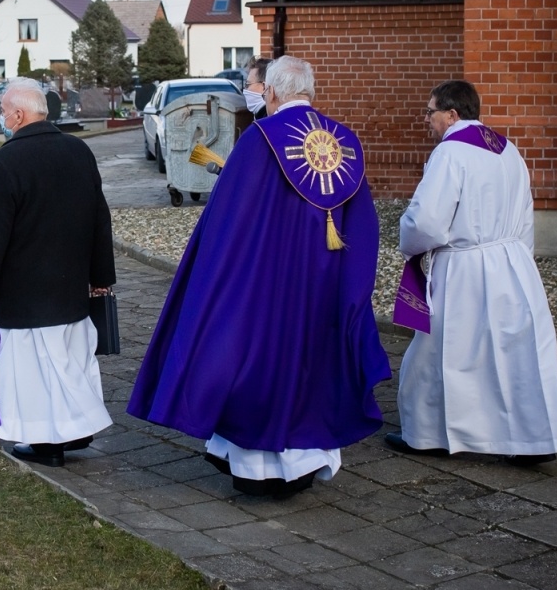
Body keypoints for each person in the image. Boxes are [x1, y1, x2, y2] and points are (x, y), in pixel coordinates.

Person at [129, 56, 390, 495]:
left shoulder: (262, 138)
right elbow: (363, 227)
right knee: (312, 365)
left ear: (271, 92)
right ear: (310, 92)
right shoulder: (343, 141)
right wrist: (351, 290)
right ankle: (307, 462)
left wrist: (213, 275)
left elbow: (228, 221)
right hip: (322, 283)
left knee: (256, 362)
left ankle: (258, 469)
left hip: (266, 283)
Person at [391, 79, 557, 465]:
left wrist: (408, 240)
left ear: (452, 115)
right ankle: (531, 438)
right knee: (515, 355)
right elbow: (526, 213)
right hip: (512, 263)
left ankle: (427, 434)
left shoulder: (450, 152)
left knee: (440, 352)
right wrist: (518, 259)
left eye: (430, 112)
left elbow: (427, 221)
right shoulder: (507, 149)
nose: (426, 120)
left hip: (466, 268)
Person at [0, 77, 115, 468]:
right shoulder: (78, 150)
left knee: (34, 374)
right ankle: (74, 429)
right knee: (68, 364)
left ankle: (46, 442)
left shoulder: (6, 161)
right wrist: (101, 276)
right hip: (71, 286)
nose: (2, 118)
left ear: (19, 115)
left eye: (3, 112)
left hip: (26, 292)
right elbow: (100, 219)